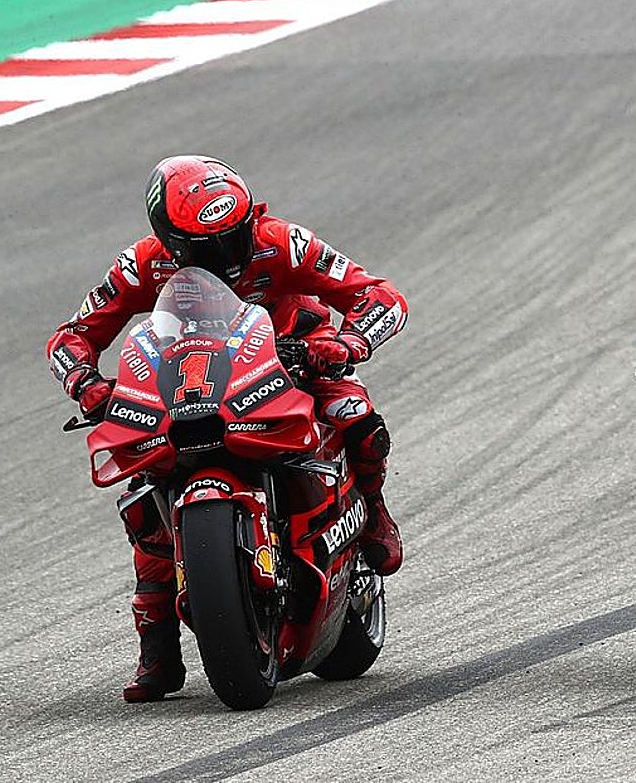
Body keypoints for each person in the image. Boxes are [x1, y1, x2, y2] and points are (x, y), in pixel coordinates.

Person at [46, 155, 408, 702]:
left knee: (355, 415)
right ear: (170, 242)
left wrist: (349, 341)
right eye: (206, 248)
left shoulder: (282, 242)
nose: (226, 256)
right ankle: (158, 651)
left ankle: (374, 512)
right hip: (190, 382)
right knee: (144, 493)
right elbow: (71, 336)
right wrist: (87, 383)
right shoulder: (141, 265)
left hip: (291, 365)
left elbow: (379, 295)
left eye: (234, 238)